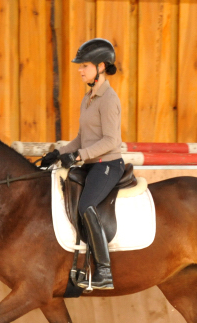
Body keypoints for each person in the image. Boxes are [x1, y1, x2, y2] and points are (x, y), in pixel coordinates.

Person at [41, 38, 123, 290]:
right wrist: (58, 152)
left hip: (107, 165)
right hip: (90, 162)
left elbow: (111, 140)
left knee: (87, 204)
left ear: (100, 67)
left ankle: (105, 271)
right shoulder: (88, 98)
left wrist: (78, 156)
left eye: (84, 65)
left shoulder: (108, 99)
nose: (79, 69)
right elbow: (81, 138)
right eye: (80, 65)